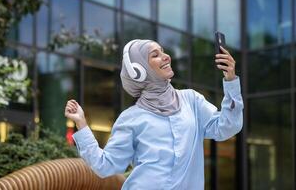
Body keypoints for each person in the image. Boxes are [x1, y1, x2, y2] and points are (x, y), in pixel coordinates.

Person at [64, 39, 243, 190]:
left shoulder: (192, 100)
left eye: (163, 51)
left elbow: (226, 127)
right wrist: (81, 123)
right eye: (155, 55)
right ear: (138, 70)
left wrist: (231, 81)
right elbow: (105, 166)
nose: (166, 57)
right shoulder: (131, 118)